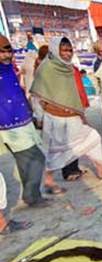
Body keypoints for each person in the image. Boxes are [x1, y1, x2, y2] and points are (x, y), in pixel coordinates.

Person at [31, 36, 102, 184]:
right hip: (55, 119)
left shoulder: (69, 68)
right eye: (64, 50)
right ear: (55, 50)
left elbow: (73, 94)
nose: (67, 54)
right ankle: (49, 179)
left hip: (73, 116)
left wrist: (81, 114)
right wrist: (40, 118)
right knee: (58, 151)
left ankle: (101, 169)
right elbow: (37, 96)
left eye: (70, 50)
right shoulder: (45, 69)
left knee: (92, 138)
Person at [0, 34, 49, 205]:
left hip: (22, 121)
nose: (7, 55)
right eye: (2, 52)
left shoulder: (8, 69)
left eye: (9, 51)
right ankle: (31, 196)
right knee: (36, 159)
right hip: (10, 126)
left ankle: (31, 196)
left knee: (26, 161)